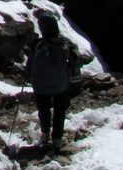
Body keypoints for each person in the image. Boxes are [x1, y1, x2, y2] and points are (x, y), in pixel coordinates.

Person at [23, 11, 80, 152]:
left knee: (44, 109)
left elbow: (29, 65)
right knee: (60, 111)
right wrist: (71, 71)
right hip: (60, 84)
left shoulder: (37, 44)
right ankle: (57, 139)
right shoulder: (64, 43)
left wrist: (28, 76)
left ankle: (45, 133)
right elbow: (75, 59)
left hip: (40, 85)